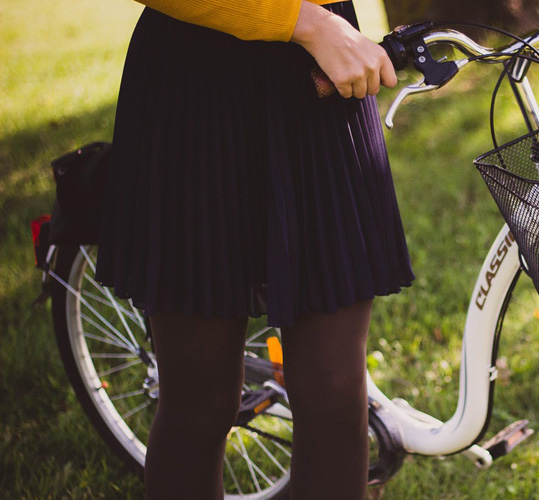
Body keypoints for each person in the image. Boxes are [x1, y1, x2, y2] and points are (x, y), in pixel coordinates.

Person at [95, 0, 415, 498]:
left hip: (324, 79)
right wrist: (303, 22)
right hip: (196, 83)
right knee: (201, 399)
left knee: (335, 390)